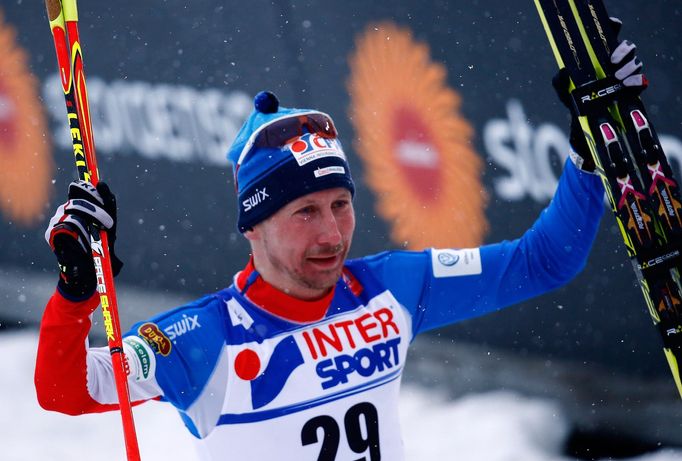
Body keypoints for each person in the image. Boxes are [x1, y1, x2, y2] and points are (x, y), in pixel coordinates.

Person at [35, 35, 645, 460]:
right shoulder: (202, 336)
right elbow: (63, 390)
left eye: (340, 205)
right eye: (303, 212)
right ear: (253, 226)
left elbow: (543, 262)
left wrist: (587, 156)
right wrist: (76, 291)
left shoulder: (391, 288)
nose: (331, 234)